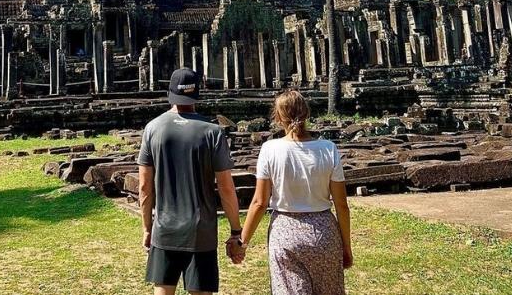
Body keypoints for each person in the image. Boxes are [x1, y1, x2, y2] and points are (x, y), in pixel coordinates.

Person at [138, 68, 245, 295]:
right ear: (197, 93)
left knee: (163, 290)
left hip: (164, 228)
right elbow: (226, 188)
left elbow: (145, 188)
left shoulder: (152, 129)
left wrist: (147, 228)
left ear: (170, 94)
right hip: (201, 231)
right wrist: (236, 231)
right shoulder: (213, 132)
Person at [239, 90, 352, 294]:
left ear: (278, 117)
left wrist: (242, 242)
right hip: (324, 232)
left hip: (285, 232)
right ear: (307, 113)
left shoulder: (270, 149)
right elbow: (342, 205)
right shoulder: (328, 149)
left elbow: (259, 202)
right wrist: (346, 246)